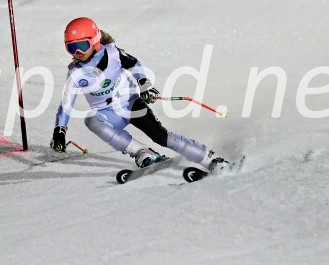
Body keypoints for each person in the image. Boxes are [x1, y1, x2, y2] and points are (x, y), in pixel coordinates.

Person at [50, 17, 230, 172]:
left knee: (162, 137)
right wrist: (59, 132)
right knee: (91, 120)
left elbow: (134, 64)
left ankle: (209, 159)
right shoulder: (75, 74)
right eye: (71, 48)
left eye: (82, 46)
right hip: (108, 114)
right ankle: (141, 153)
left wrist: (144, 84)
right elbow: (66, 105)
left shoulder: (113, 54)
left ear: (95, 40)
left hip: (131, 104)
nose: (78, 53)